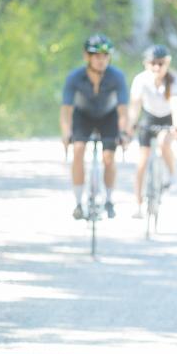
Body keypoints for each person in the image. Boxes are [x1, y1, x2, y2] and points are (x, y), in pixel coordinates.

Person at [60, 34, 129, 218]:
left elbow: (123, 109)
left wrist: (124, 132)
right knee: (78, 150)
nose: (101, 60)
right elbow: (66, 109)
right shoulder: (75, 77)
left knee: (109, 157)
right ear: (87, 57)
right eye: (97, 56)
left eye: (105, 56)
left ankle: (109, 199)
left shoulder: (117, 76)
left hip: (108, 116)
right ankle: (78, 202)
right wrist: (66, 133)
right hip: (83, 116)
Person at [126, 44, 177, 218]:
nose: (157, 67)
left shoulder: (175, 79)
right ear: (146, 64)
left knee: (163, 143)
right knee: (142, 162)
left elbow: (176, 105)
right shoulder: (140, 80)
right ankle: (138, 205)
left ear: (167, 63)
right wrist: (130, 126)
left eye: (161, 63)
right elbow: (135, 106)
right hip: (149, 117)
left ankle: (172, 175)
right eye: (153, 63)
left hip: (168, 118)